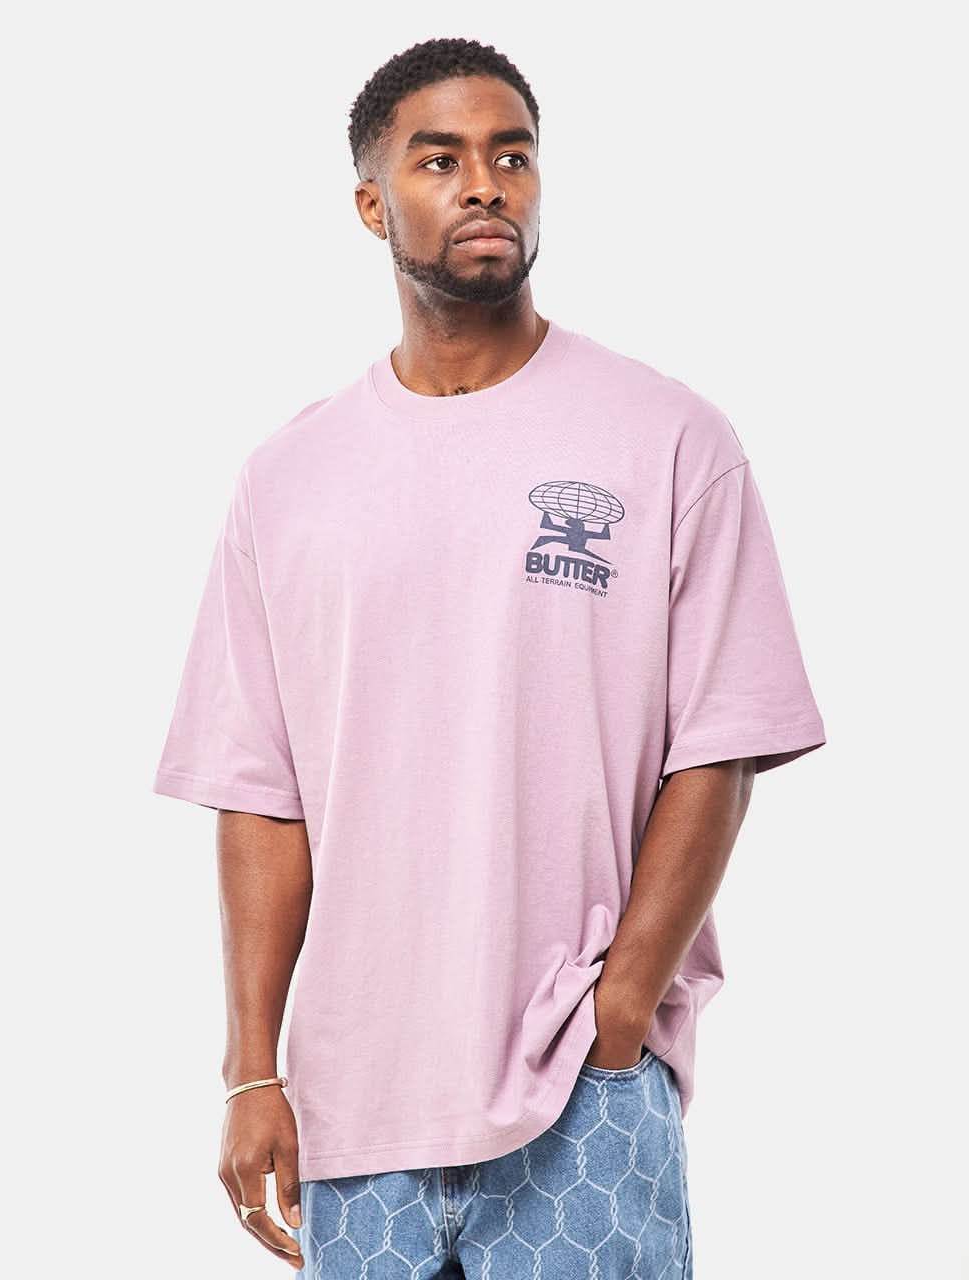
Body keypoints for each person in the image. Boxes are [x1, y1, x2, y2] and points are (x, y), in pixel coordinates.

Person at [152, 36, 826, 1279]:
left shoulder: (667, 436)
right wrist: (251, 1069)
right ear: (372, 205)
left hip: (583, 1087)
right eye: (440, 159)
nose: (484, 184)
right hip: (356, 1107)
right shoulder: (286, 480)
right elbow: (260, 791)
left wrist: (621, 1011)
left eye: (511, 156)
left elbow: (720, 744)